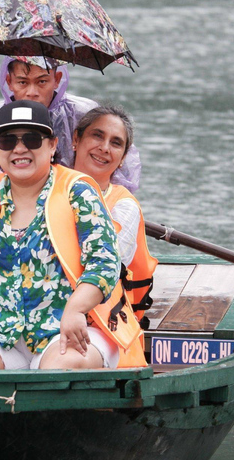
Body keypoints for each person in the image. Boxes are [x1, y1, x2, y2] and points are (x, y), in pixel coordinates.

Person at [0, 100, 147, 371]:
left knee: (65, 366)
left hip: (73, 327)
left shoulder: (79, 193)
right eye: (8, 141)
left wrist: (76, 309)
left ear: (53, 145)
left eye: (32, 139)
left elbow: (104, 263)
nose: (20, 149)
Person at [0, 56, 141, 192]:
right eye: (22, 82)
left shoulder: (85, 114)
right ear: (9, 81)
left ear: (57, 79)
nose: (32, 92)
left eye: (42, 82)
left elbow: (120, 164)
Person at [72, 106, 158, 323]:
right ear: (76, 139)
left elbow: (107, 267)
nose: (104, 148)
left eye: (116, 143)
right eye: (97, 136)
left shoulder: (124, 207)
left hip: (100, 317)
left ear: (123, 158)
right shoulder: (45, 186)